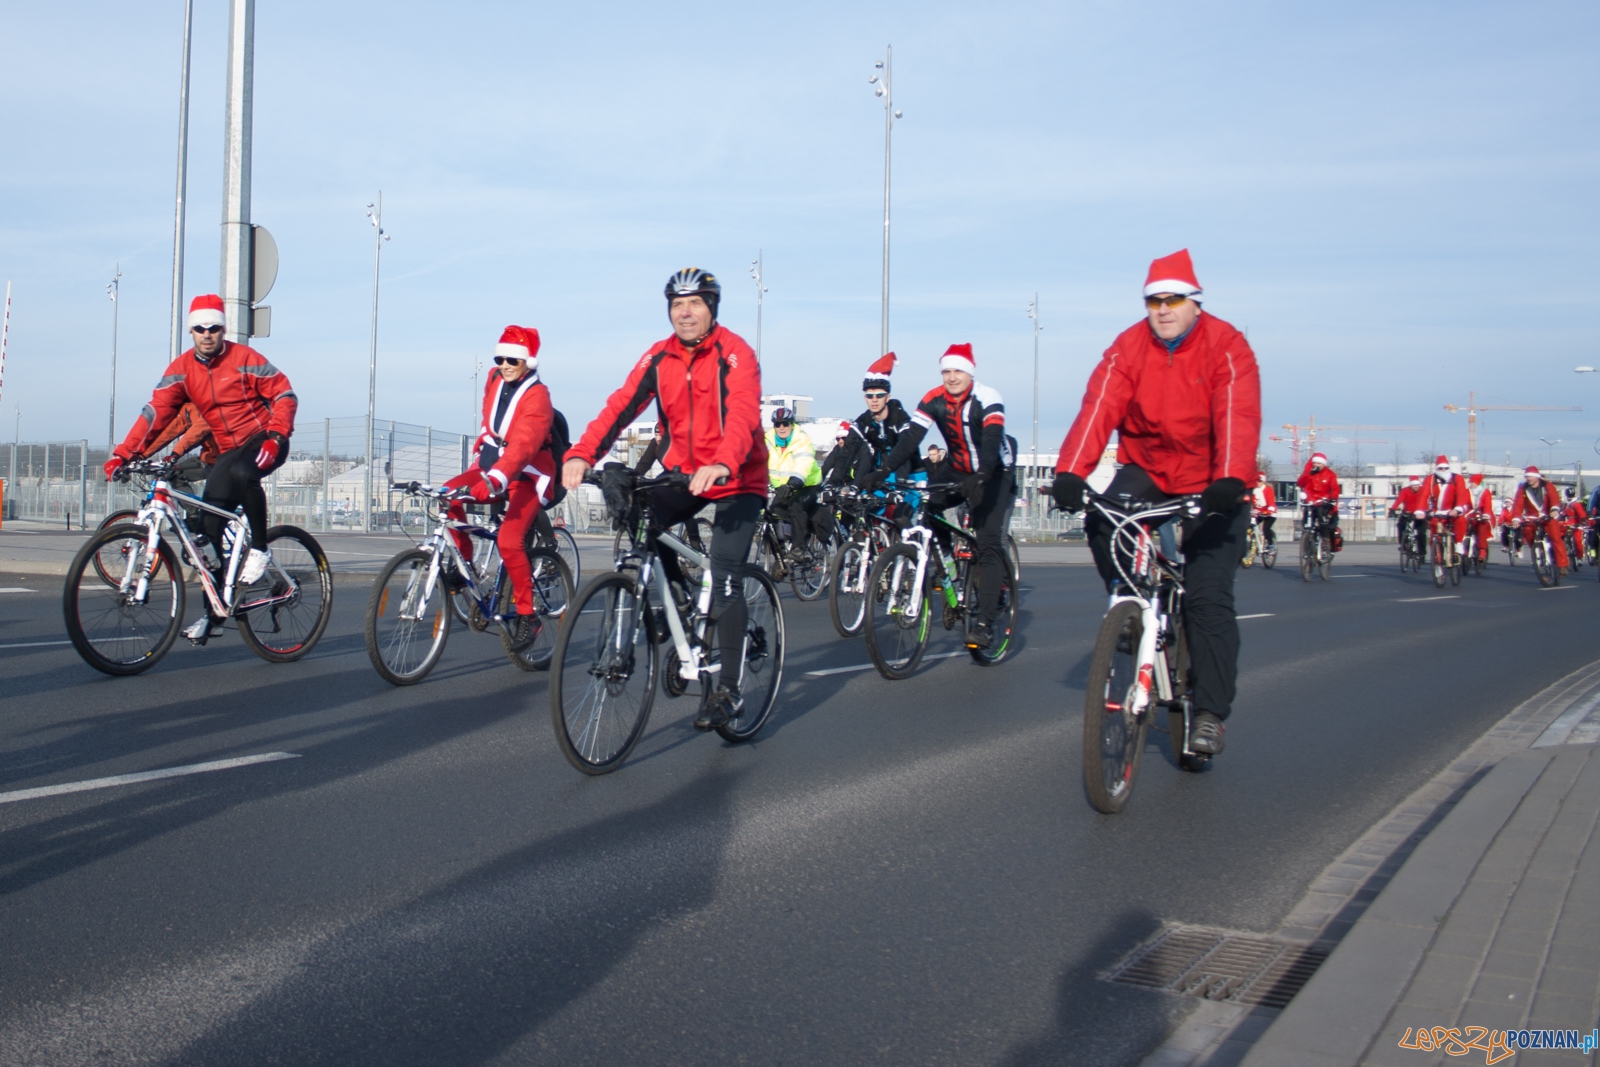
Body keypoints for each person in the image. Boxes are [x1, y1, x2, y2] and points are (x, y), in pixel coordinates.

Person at [1049, 249, 1261, 757]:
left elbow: (1238, 413)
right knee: (1102, 518)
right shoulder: (1129, 346)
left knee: (1208, 596)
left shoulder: (1227, 344)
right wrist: (1070, 472)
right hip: (1149, 468)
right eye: (1154, 301)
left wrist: (1230, 478)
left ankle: (1209, 715)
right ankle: (1131, 603)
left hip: (1213, 477)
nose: (1163, 310)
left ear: (1195, 303)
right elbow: (1099, 406)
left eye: (1174, 300)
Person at [562, 268, 766, 730]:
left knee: (725, 575)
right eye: (677, 304)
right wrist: (581, 453)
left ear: (712, 308)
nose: (685, 313)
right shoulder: (659, 356)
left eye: (695, 303)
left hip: (737, 477)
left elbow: (742, 414)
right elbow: (619, 405)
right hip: (683, 475)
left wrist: (724, 462)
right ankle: (680, 603)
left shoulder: (735, 354)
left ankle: (729, 691)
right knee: (640, 520)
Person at [105, 294, 296, 641]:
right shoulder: (182, 369)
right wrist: (125, 453)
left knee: (243, 472)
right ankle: (214, 615)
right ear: (191, 331)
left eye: (214, 328)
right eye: (200, 328)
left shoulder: (245, 359)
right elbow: (157, 413)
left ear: (223, 329)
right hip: (228, 449)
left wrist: (277, 436)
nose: (207, 334)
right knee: (206, 537)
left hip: (264, 438)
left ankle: (260, 548)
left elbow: (284, 394)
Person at [864, 343, 1017, 650]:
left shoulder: (988, 398)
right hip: (957, 469)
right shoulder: (934, 398)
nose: (952, 377)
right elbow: (911, 439)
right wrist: (883, 470)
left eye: (958, 371)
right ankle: (949, 571)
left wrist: (983, 475)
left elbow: (991, 441)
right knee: (926, 509)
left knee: (987, 542)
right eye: (946, 371)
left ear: (970, 373)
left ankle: (985, 624)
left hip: (994, 472)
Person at [438, 325, 559, 648]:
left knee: (508, 540)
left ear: (528, 362)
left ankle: (528, 616)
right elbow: (489, 416)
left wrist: (495, 479)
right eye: (500, 358)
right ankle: (463, 563)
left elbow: (524, 444)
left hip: (529, 472)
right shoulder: (493, 378)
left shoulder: (538, 396)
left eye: (512, 360)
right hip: (492, 465)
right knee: (447, 495)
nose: (504, 365)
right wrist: (485, 448)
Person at [766, 406, 824, 556]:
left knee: (796, 507)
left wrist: (793, 483)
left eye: (785, 423)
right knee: (773, 513)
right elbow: (757, 461)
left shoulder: (801, 439)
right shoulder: (768, 440)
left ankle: (799, 549)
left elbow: (803, 464)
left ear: (792, 424)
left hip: (807, 485)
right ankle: (781, 557)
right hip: (783, 488)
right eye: (777, 424)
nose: (781, 427)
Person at [1507, 466, 1569, 573]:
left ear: (1537, 477)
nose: (1528, 478)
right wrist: (1516, 518)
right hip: (1532, 517)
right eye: (1527, 476)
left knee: (1556, 538)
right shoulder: (1522, 488)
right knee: (1527, 530)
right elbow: (1518, 504)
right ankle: (1537, 550)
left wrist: (1554, 509)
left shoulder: (1547, 485)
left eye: (1531, 476)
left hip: (1548, 515)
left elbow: (1554, 498)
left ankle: (1563, 565)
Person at [1415, 455, 1472, 558]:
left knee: (1460, 521)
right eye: (1440, 468)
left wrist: (1457, 509)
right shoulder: (1430, 479)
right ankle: (1438, 559)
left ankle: (1458, 543)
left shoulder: (1457, 478)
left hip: (1453, 510)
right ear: (1437, 468)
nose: (1443, 470)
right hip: (1437, 511)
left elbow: (1461, 494)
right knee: (1434, 531)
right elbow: (1423, 495)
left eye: (1445, 468)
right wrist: (1420, 511)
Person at [1297, 452, 1342, 550]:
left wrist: (1333, 499)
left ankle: (1325, 540)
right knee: (1306, 520)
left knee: (1322, 518)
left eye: (1319, 463)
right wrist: (1307, 475)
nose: (1316, 465)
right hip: (1310, 501)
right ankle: (1308, 539)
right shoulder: (1310, 473)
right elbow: (1300, 483)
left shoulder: (1330, 475)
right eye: (1314, 463)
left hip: (1323, 502)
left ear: (1324, 464)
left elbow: (1335, 489)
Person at [1389, 475, 1424, 558]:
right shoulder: (1405, 491)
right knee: (1400, 525)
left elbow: (1426, 500)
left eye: (1417, 485)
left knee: (1421, 533)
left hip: (1420, 513)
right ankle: (1403, 544)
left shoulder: (1422, 490)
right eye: (1414, 485)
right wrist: (1392, 509)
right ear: (1410, 485)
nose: (1416, 487)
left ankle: (1422, 553)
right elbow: (1399, 500)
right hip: (1408, 512)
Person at [1467, 473, 1496, 563]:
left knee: (1482, 528)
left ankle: (1482, 550)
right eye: (1470, 482)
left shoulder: (1485, 492)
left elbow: (1487, 505)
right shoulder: (1467, 491)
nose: (1471, 484)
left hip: (1483, 514)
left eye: (1472, 482)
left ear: (1477, 483)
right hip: (1470, 514)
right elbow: (1463, 503)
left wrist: (1485, 515)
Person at [1251, 471, 1277, 546]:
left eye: (1260, 481)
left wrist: (1270, 510)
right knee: (1250, 525)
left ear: (1263, 481)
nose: (1258, 483)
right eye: (1256, 481)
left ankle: (1271, 545)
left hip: (1270, 513)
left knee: (1265, 529)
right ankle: (1253, 541)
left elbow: (1271, 502)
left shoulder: (1268, 489)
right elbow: (1252, 502)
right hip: (1259, 513)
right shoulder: (1254, 490)